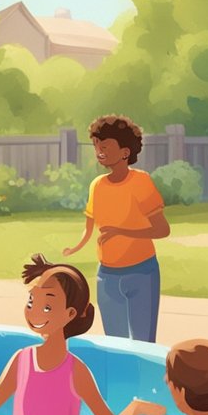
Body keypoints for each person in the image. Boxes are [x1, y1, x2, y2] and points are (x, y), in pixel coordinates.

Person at [0, 256, 115, 415]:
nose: (34, 312)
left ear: (70, 313)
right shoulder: (31, 361)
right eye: (32, 301)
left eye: (47, 307)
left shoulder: (63, 368)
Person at [64, 115, 170, 342]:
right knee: (114, 343)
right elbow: (90, 227)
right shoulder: (97, 186)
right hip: (107, 276)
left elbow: (162, 230)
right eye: (96, 146)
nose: (99, 151)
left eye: (105, 146)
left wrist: (122, 232)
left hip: (142, 272)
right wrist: (75, 247)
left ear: (125, 152)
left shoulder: (140, 182)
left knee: (144, 343)